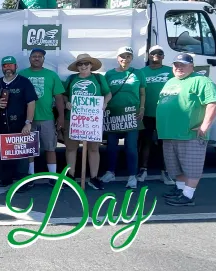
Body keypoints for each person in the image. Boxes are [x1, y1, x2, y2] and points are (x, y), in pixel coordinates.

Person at [157, 53, 216, 206]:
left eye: (183, 65)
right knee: (175, 166)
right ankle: (180, 189)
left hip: (190, 133)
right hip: (170, 133)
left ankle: (188, 195)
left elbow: (213, 102)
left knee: (192, 166)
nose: (179, 67)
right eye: (176, 65)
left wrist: (205, 125)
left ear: (191, 66)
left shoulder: (201, 81)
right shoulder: (171, 81)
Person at [63, 54, 112, 190]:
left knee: (93, 148)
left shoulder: (98, 78)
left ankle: (94, 177)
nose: (83, 66)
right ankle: (71, 176)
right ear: (77, 67)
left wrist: (105, 103)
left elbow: (108, 93)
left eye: (86, 63)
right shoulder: (71, 78)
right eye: (80, 64)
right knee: (71, 148)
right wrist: (66, 102)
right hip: (73, 119)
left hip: (92, 119)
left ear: (91, 65)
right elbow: (64, 94)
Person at [101, 46, 146, 189]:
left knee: (131, 147)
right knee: (111, 146)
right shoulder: (109, 74)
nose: (124, 59)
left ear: (131, 58)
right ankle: (110, 172)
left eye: (128, 56)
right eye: (122, 56)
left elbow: (142, 93)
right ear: (117, 58)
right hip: (113, 114)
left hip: (132, 113)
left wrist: (142, 108)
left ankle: (132, 175)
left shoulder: (138, 73)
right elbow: (105, 93)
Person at [0, 56, 38, 192]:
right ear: (2, 68)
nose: (8, 68)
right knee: (4, 153)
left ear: (16, 66)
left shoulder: (24, 82)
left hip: (19, 124)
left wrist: (28, 123)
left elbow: (31, 103)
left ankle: (22, 181)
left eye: (10, 65)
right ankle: (6, 178)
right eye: (5, 66)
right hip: (2, 124)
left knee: (21, 154)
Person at [18, 48, 65, 176]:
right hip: (28, 119)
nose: (37, 58)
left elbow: (59, 97)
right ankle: (31, 176)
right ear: (29, 59)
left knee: (50, 148)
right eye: (34, 56)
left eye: (40, 56)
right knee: (29, 149)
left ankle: (53, 176)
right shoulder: (22, 74)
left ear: (44, 59)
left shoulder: (51, 75)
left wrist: (61, 116)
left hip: (47, 118)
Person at [136, 45, 174, 185]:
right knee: (145, 142)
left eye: (159, 53)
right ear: (149, 56)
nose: (156, 55)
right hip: (146, 113)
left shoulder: (171, 71)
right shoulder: (141, 72)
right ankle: (143, 169)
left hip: (165, 114)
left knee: (165, 143)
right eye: (153, 53)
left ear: (163, 56)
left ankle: (165, 172)